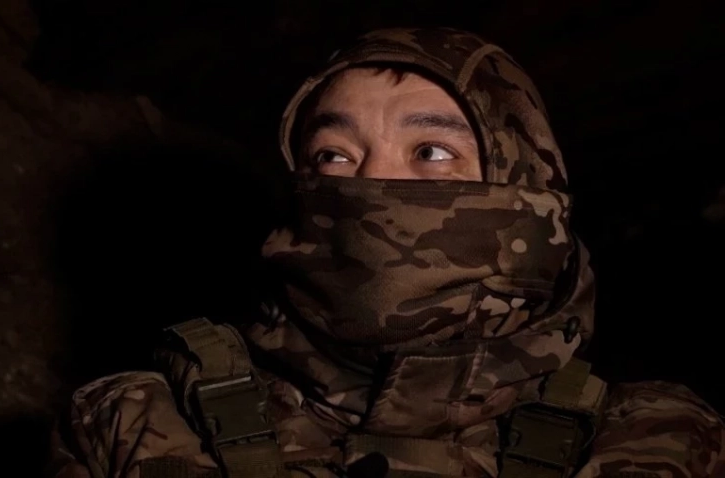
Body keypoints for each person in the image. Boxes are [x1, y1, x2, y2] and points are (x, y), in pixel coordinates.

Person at [46, 27, 725, 478]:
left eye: (431, 152)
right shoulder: (135, 423)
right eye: (333, 156)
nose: (369, 184)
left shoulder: (657, 440)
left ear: (526, 192)